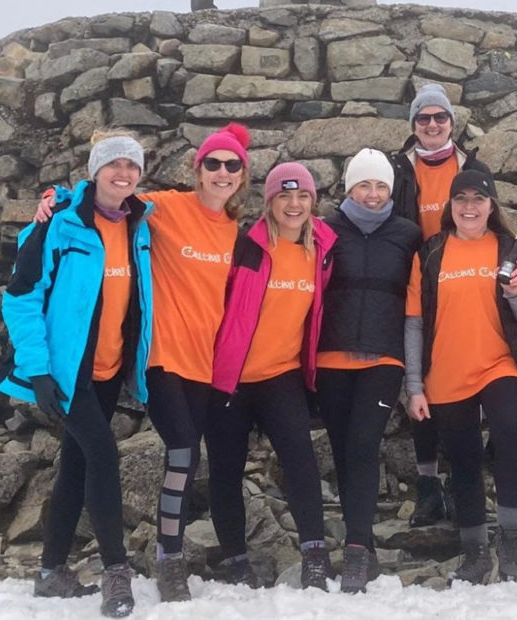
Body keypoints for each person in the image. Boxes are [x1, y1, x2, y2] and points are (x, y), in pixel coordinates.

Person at [35, 123, 251, 602]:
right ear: (196, 171)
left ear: (242, 175)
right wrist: (57, 196)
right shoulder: (163, 208)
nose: (221, 172)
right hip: (159, 358)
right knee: (180, 452)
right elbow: (106, 194)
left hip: (199, 364)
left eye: (231, 165)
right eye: (212, 163)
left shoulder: (236, 231)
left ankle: (51, 568)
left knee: (77, 461)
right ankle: (164, 561)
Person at [0, 131, 152, 617]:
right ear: (94, 171)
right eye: (114, 164)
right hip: (66, 376)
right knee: (104, 456)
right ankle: (115, 573)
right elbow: (20, 297)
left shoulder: (140, 225)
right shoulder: (56, 225)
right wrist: (37, 371)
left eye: (132, 166)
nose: (123, 174)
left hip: (108, 371)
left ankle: (50, 573)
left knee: (77, 465)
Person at [404, 169, 517, 585]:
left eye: (478, 199)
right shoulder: (430, 254)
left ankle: (512, 544)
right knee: (463, 461)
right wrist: (414, 386)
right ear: (450, 206)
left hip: (499, 365)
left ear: (491, 206)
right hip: (446, 372)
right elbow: (413, 323)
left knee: (511, 436)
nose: (470, 206)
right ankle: (476, 552)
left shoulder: (508, 249)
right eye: (461, 198)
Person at [208, 162, 337, 591]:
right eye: (284, 195)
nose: (294, 204)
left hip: (282, 375)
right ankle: (235, 560)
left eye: (302, 196)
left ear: (313, 201)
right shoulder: (246, 247)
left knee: (300, 460)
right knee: (226, 470)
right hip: (231, 377)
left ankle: (315, 556)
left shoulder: (322, 250)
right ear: (270, 202)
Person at [315, 149, 421, 592]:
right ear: (349, 187)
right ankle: (366, 544)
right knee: (342, 449)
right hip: (330, 357)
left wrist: (415, 375)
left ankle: (356, 550)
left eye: (381, 186)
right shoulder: (324, 229)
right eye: (364, 185)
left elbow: (415, 307)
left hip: (383, 357)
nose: (373, 194)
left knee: (362, 443)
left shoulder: (408, 235)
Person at [392, 83, 494, 528]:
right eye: (423, 118)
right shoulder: (398, 167)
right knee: (422, 382)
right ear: (413, 125)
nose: (432, 125)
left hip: (463, 278)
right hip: (416, 280)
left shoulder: (472, 166)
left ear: (453, 122)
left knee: (465, 385)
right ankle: (428, 486)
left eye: (440, 118)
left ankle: (460, 484)